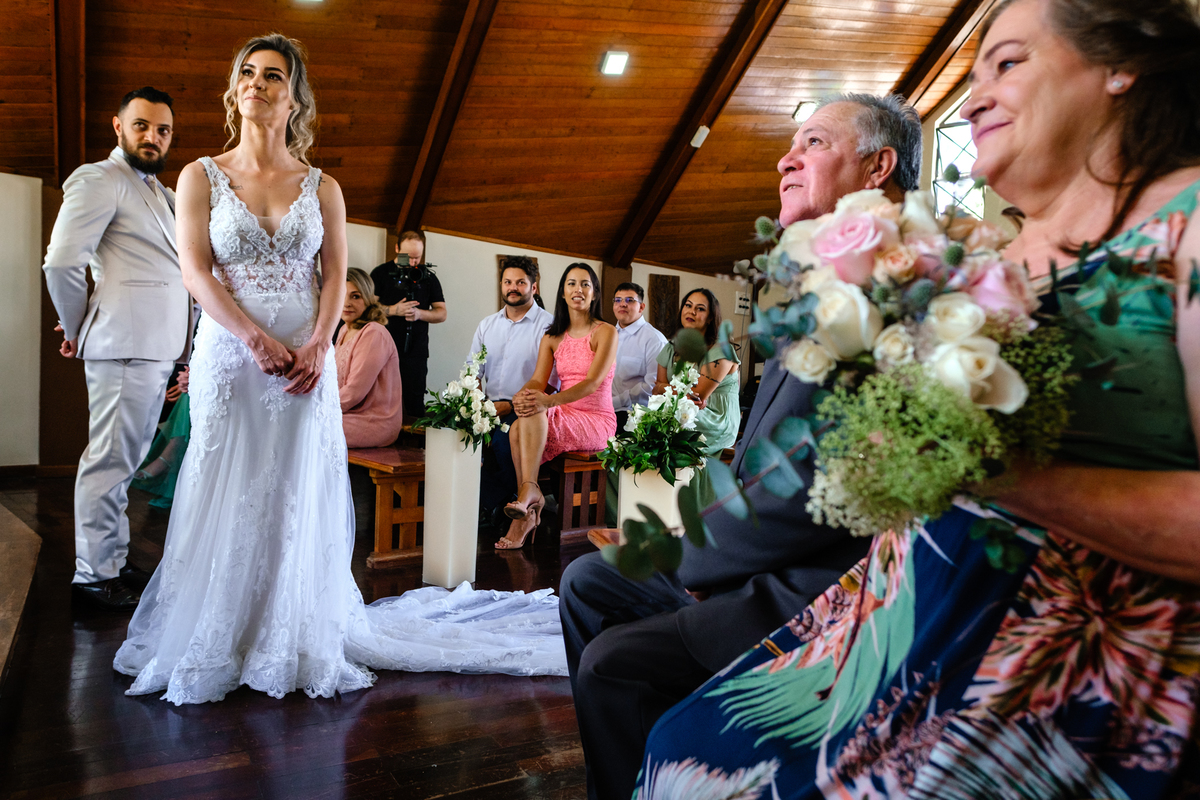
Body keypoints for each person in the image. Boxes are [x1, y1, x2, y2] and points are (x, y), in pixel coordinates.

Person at [637, 0, 1200, 795]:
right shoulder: (1002, 250)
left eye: (1007, 63)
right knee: (680, 746)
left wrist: (993, 472)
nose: (970, 101)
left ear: (1121, 65)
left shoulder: (1189, 226)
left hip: (1056, 655)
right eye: (970, 78)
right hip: (903, 609)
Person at [113, 34, 566, 705]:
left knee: (294, 491)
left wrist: (321, 343)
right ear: (234, 89)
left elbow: (333, 278)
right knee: (224, 484)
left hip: (307, 359)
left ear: (294, 97)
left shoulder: (322, 186)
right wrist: (253, 339)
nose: (257, 83)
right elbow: (195, 271)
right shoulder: (199, 175)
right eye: (247, 72)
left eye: (273, 75)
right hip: (232, 358)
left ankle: (289, 630)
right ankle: (215, 631)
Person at [559, 92, 921, 800]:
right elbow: (766, 454)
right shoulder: (820, 279)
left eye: (813, 143)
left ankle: (668, 768)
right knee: (586, 582)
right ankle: (651, 774)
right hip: (768, 551)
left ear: (879, 166)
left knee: (612, 664)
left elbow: (821, 483)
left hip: (822, 581)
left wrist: (694, 555)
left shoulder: (893, 286)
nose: (786, 159)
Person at [42, 86, 193, 611]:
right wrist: (78, 326)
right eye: (142, 126)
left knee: (126, 462)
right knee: (109, 460)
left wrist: (185, 350)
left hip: (157, 347)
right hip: (124, 344)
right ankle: (92, 577)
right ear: (118, 126)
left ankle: (114, 556)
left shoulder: (165, 195)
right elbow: (62, 263)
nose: (153, 137)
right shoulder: (99, 179)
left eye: (163, 130)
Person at [497, 263, 618, 550]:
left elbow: (592, 383)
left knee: (529, 416)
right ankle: (529, 496)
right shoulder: (552, 336)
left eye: (585, 284)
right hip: (564, 412)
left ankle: (526, 505)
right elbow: (539, 379)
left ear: (594, 293)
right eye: (572, 284)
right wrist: (521, 396)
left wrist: (547, 401)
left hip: (596, 419)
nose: (578, 289)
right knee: (518, 425)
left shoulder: (606, 332)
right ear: (562, 293)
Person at [470, 256, 556, 515]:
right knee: (457, 439)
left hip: (527, 408)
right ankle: (478, 504)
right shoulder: (487, 325)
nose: (513, 287)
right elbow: (473, 371)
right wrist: (478, 408)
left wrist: (510, 405)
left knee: (501, 441)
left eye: (520, 282)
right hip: (489, 407)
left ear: (534, 287)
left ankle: (497, 507)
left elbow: (553, 381)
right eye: (508, 282)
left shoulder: (548, 325)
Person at [653, 288, 740, 456]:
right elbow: (656, 391)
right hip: (678, 410)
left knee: (670, 423)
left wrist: (663, 388)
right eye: (688, 305)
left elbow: (696, 396)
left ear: (710, 318)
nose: (691, 311)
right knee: (646, 419)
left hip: (715, 419)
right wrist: (665, 390)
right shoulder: (671, 348)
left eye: (700, 308)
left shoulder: (721, 350)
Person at [370, 230, 446, 417]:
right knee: (381, 401)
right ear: (397, 249)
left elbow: (442, 313)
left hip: (416, 352)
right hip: (382, 350)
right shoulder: (380, 273)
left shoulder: (428, 277)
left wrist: (420, 314)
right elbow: (367, 309)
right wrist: (393, 310)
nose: (412, 262)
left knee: (414, 405)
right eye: (408, 257)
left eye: (417, 258)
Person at [335, 268, 404, 448]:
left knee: (313, 427)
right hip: (347, 414)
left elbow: (354, 392)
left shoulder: (373, 332)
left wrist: (319, 408)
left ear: (368, 299)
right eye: (342, 294)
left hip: (374, 420)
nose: (347, 303)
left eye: (355, 296)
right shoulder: (344, 330)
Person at [610, 282, 667, 433]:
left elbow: (652, 386)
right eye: (618, 300)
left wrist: (614, 402)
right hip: (604, 410)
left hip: (634, 416)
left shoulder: (654, 340)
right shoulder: (608, 334)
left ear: (641, 307)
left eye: (629, 300)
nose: (622, 304)